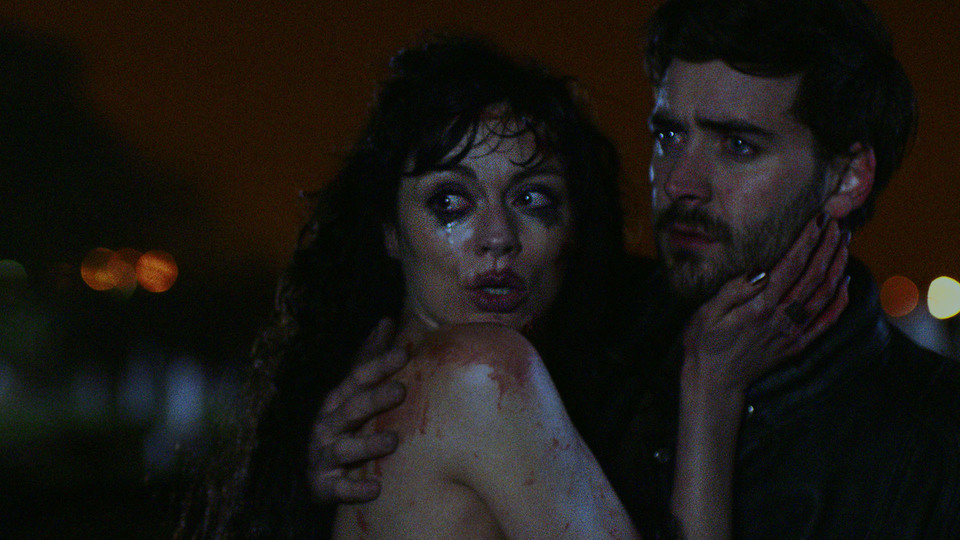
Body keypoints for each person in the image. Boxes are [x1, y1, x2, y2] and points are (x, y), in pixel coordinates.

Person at [311, 0, 960, 538]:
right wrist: (332, 461)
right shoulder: (571, 323)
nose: (680, 182)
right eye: (669, 136)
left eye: (737, 145)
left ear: (847, 177)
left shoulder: (932, 444)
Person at [177, 35, 846, 539]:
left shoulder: (398, 387)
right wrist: (713, 394)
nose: (498, 237)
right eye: (450, 203)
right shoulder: (482, 372)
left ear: (573, 228)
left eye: (532, 199)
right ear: (390, 231)